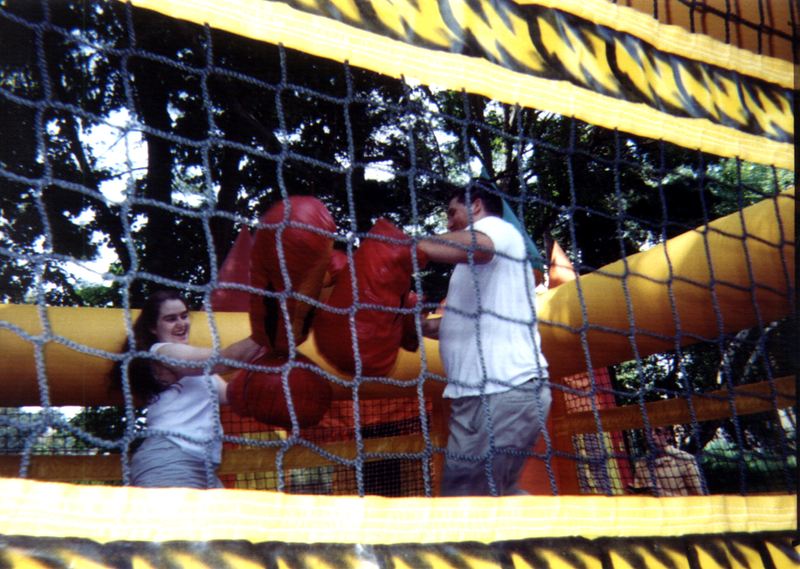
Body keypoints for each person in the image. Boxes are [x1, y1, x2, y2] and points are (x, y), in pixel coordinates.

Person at [418, 185, 550, 496]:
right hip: (485, 396)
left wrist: (407, 245)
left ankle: (558, 536)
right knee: (496, 495)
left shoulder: (494, 230)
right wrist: (415, 326)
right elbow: (453, 326)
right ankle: (555, 534)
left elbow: (479, 245)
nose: (448, 222)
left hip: (503, 391)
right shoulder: (474, 267)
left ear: (475, 206)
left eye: (452, 212)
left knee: (466, 502)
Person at [111, 290, 260, 489]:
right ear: (153, 328)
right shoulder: (161, 352)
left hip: (202, 466)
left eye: (183, 315)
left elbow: (235, 397)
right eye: (170, 319)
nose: (181, 323)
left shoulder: (197, 370)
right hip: (170, 460)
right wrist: (263, 334)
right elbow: (224, 361)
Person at [628, 427, 705, 496]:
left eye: (658, 432)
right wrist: (633, 495)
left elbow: (700, 499)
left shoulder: (685, 459)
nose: (652, 436)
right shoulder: (641, 464)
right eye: (647, 431)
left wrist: (662, 494)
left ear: (667, 435)